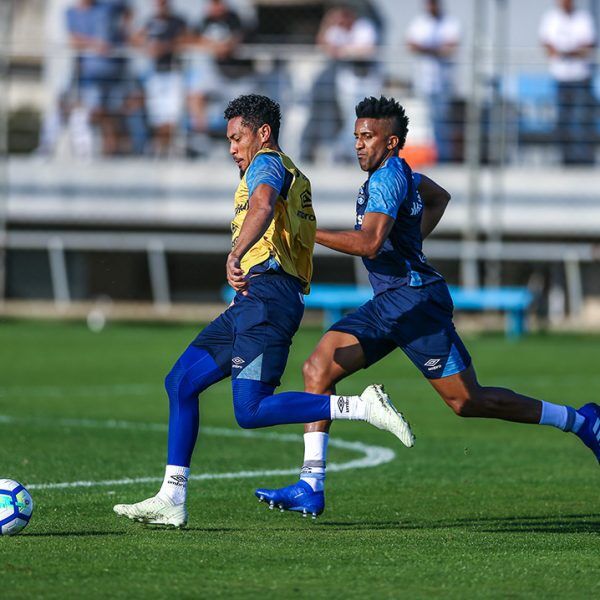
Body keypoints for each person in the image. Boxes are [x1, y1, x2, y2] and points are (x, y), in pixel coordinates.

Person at [255, 96, 600, 518]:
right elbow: (440, 197)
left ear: (392, 141)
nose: (359, 144)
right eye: (356, 137)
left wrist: (304, 231)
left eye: (367, 137)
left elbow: (368, 243)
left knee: (467, 402)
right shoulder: (400, 175)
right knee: (318, 369)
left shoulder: (387, 179)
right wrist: (412, 242)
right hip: (390, 302)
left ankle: (581, 421)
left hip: (416, 304)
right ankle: (311, 484)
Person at [113, 94, 415, 527]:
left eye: (238, 138)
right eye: (229, 140)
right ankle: (171, 497)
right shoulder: (276, 167)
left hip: (269, 297)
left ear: (263, 134)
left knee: (250, 410)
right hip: (252, 300)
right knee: (180, 382)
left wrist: (236, 253)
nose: (232, 147)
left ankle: (361, 407)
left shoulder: (267, 163)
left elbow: (261, 205)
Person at [300, 5, 380, 163]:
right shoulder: (336, 29)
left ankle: (352, 153)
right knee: (350, 118)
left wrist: (344, 51)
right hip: (348, 79)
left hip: (367, 78)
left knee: (362, 119)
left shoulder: (364, 27)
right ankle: (349, 154)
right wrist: (327, 23)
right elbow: (324, 45)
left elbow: (366, 51)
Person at [186, 0, 255, 152]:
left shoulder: (234, 18)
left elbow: (236, 40)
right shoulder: (205, 20)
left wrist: (224, 46)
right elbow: (190, 37)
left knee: (243, 114)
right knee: (195, 94)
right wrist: (211, 45)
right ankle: (201, 137)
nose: (216, 7)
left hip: (237, 76)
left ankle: (238, 147)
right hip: (215, 73)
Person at [66, 0, 130, 156]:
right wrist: (95, 45)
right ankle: (93, 151)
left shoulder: (106, 7)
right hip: (89, 74)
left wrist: (123, 36)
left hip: (112, 70)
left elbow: (127, 12)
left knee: (110, 113)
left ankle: (109, 151)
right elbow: (73, 40)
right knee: (93, 112)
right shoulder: (71, 12)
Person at [539, 0, 597, 165]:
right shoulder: (550, 18)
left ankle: (582, 160)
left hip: (581, 78)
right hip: (560, 78)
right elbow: (548, 46)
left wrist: (564, 52)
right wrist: (571, 51)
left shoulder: (583, 18)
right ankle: (566, 160)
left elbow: (587, 46)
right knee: (562, 120)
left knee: (580, 120)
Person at [406, 0, 460, 163]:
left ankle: (443, 156)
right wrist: (435, 49)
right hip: (424, 81)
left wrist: (426, 48)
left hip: (443, 81)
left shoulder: (450, 22)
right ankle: (435, 155)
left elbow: (450, 48)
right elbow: (411, 45)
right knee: (429, 120)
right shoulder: (418, 22)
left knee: (442, 118)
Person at [132, 0, 187, 155]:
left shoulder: (177, 21)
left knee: (172, 116)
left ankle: (167, 150)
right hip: (155, 75)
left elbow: (187, 39)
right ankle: (160, 150)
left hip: (173, 73)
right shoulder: (150, 22)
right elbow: (135, 38)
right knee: (157, 117)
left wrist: (166, 46)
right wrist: (149, 46)